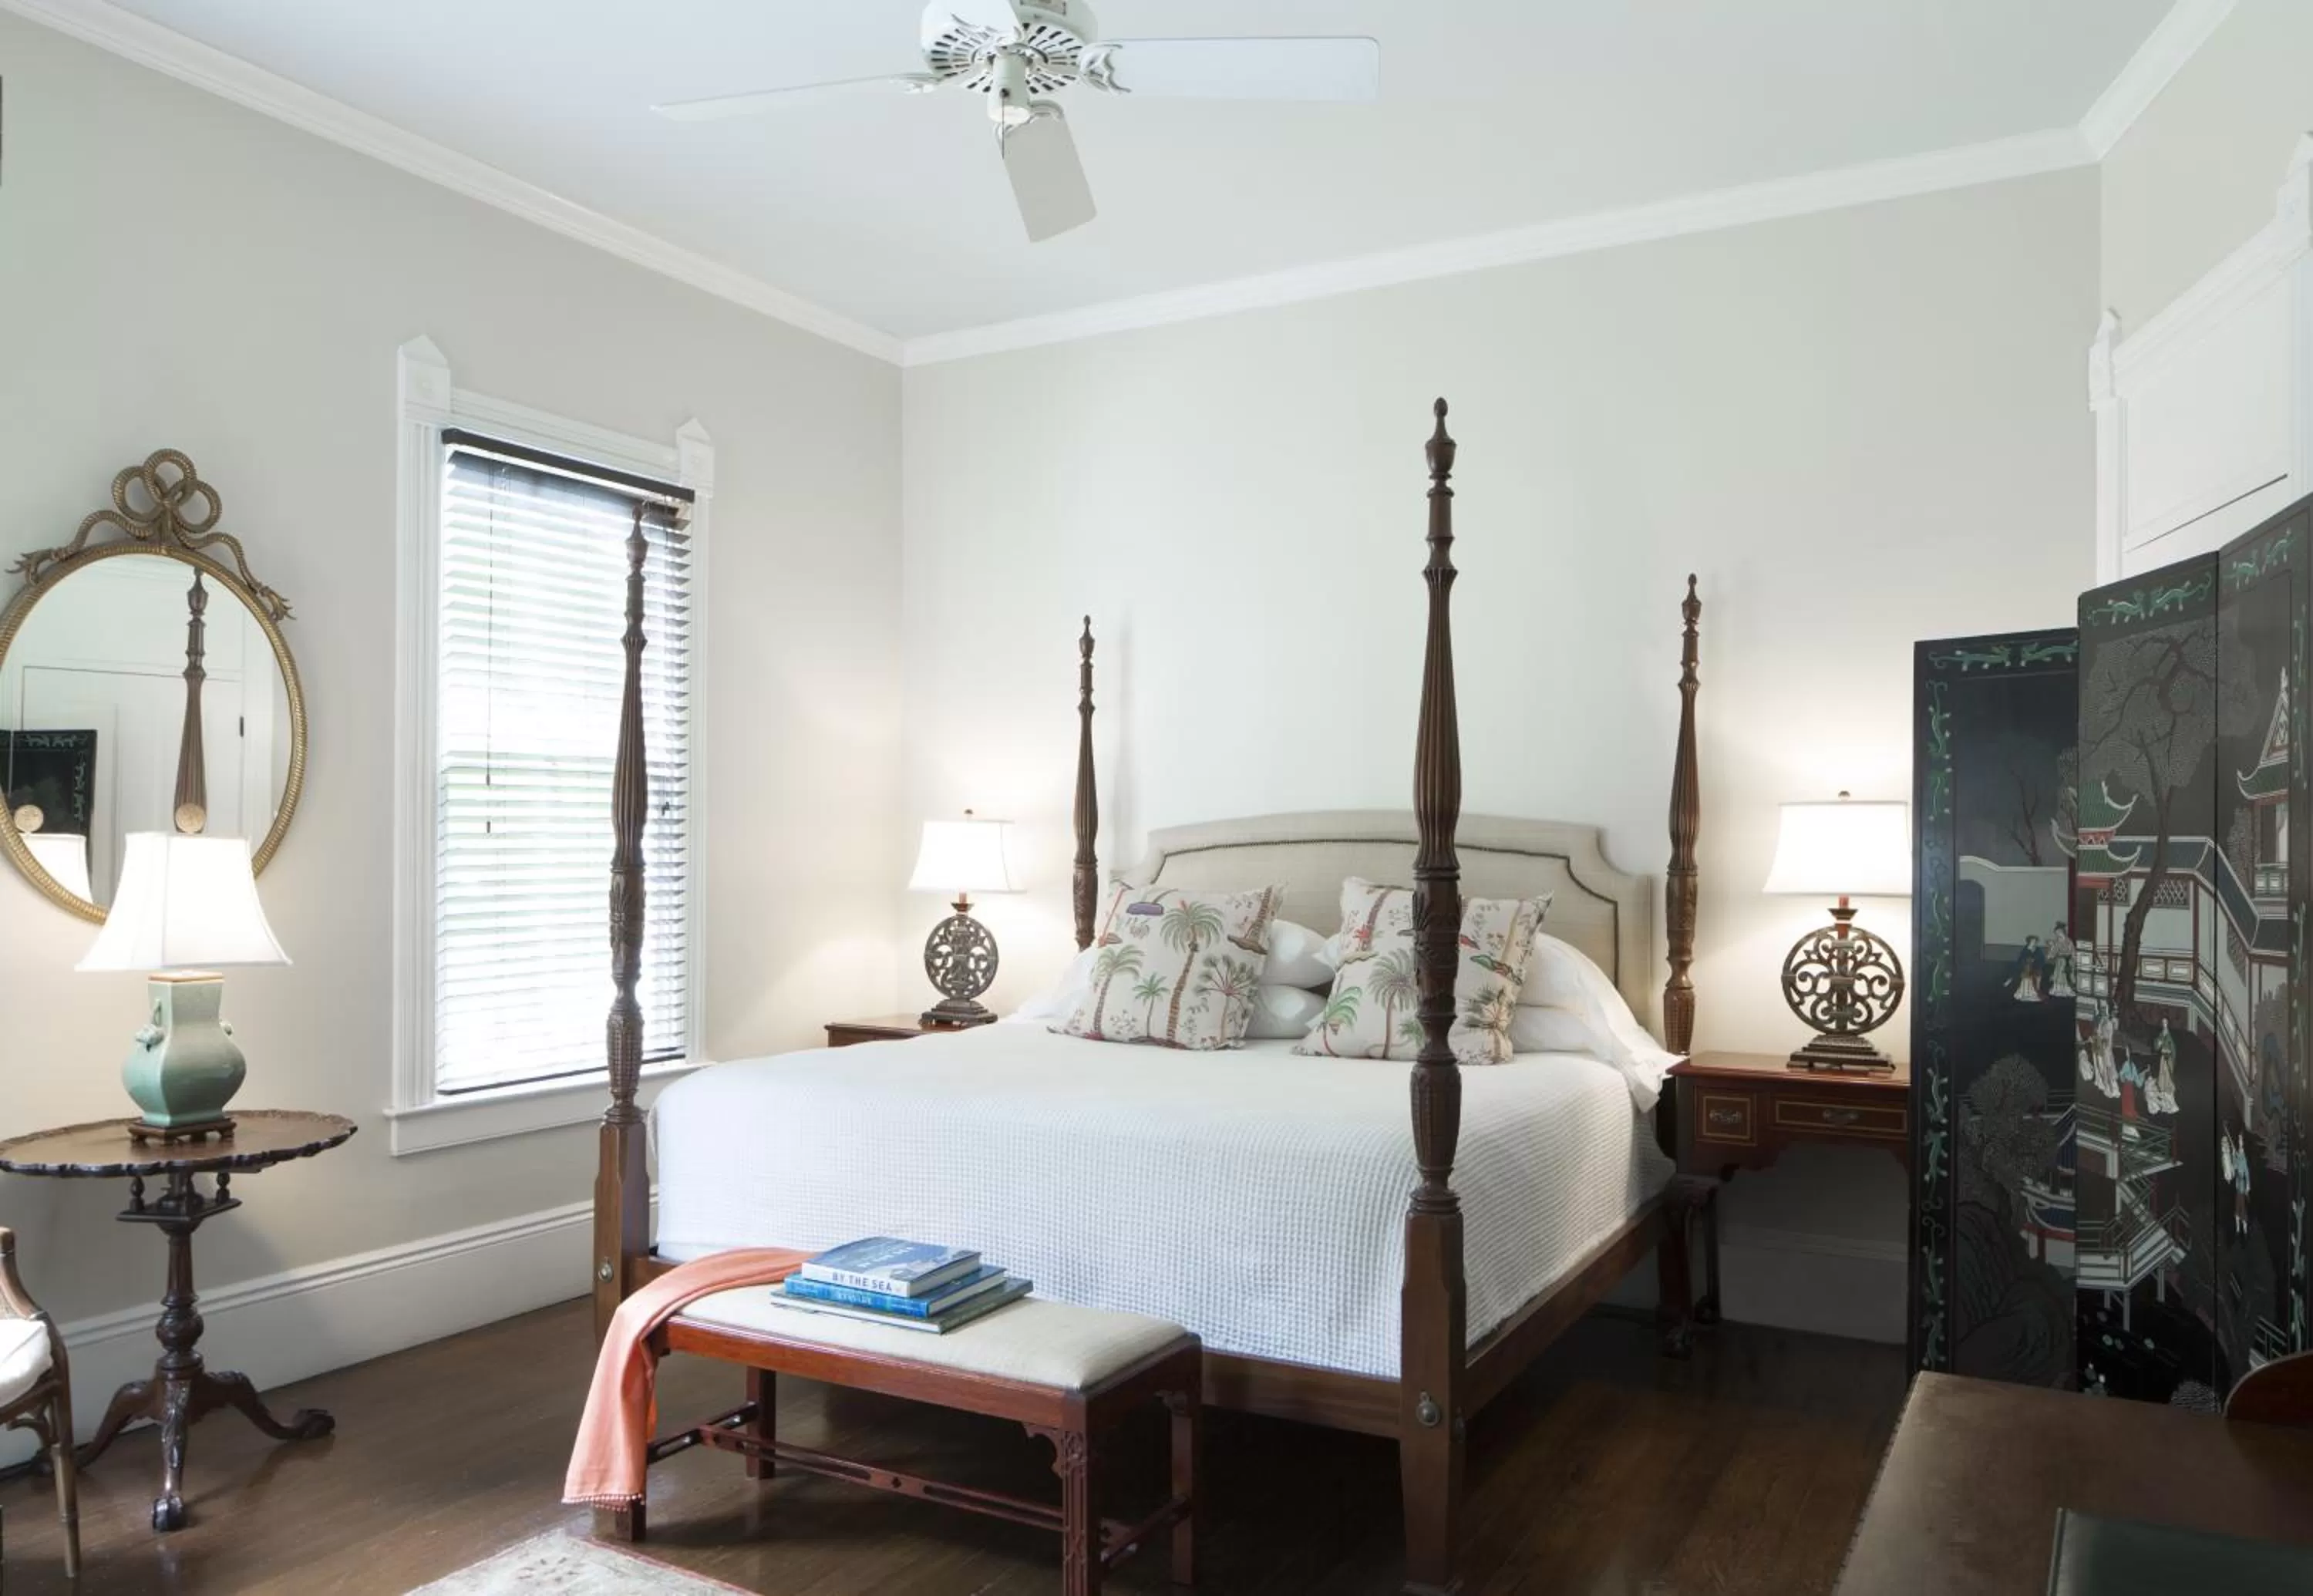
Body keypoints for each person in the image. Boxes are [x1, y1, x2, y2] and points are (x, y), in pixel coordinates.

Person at [2045, 923, 2076, 997]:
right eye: (2056, 933)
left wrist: (2074, 958)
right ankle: (2058, 989)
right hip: (2060, 961)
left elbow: (2073, 951)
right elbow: (2053, 952)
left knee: (2067, 975)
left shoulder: (2069, 941)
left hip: (2068, 961)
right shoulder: (2057, 942)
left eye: (2059, 932)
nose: (2057, 934)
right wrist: (2050, 952)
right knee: (2060, 975)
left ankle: (2067, 989)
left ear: (2062, 932)